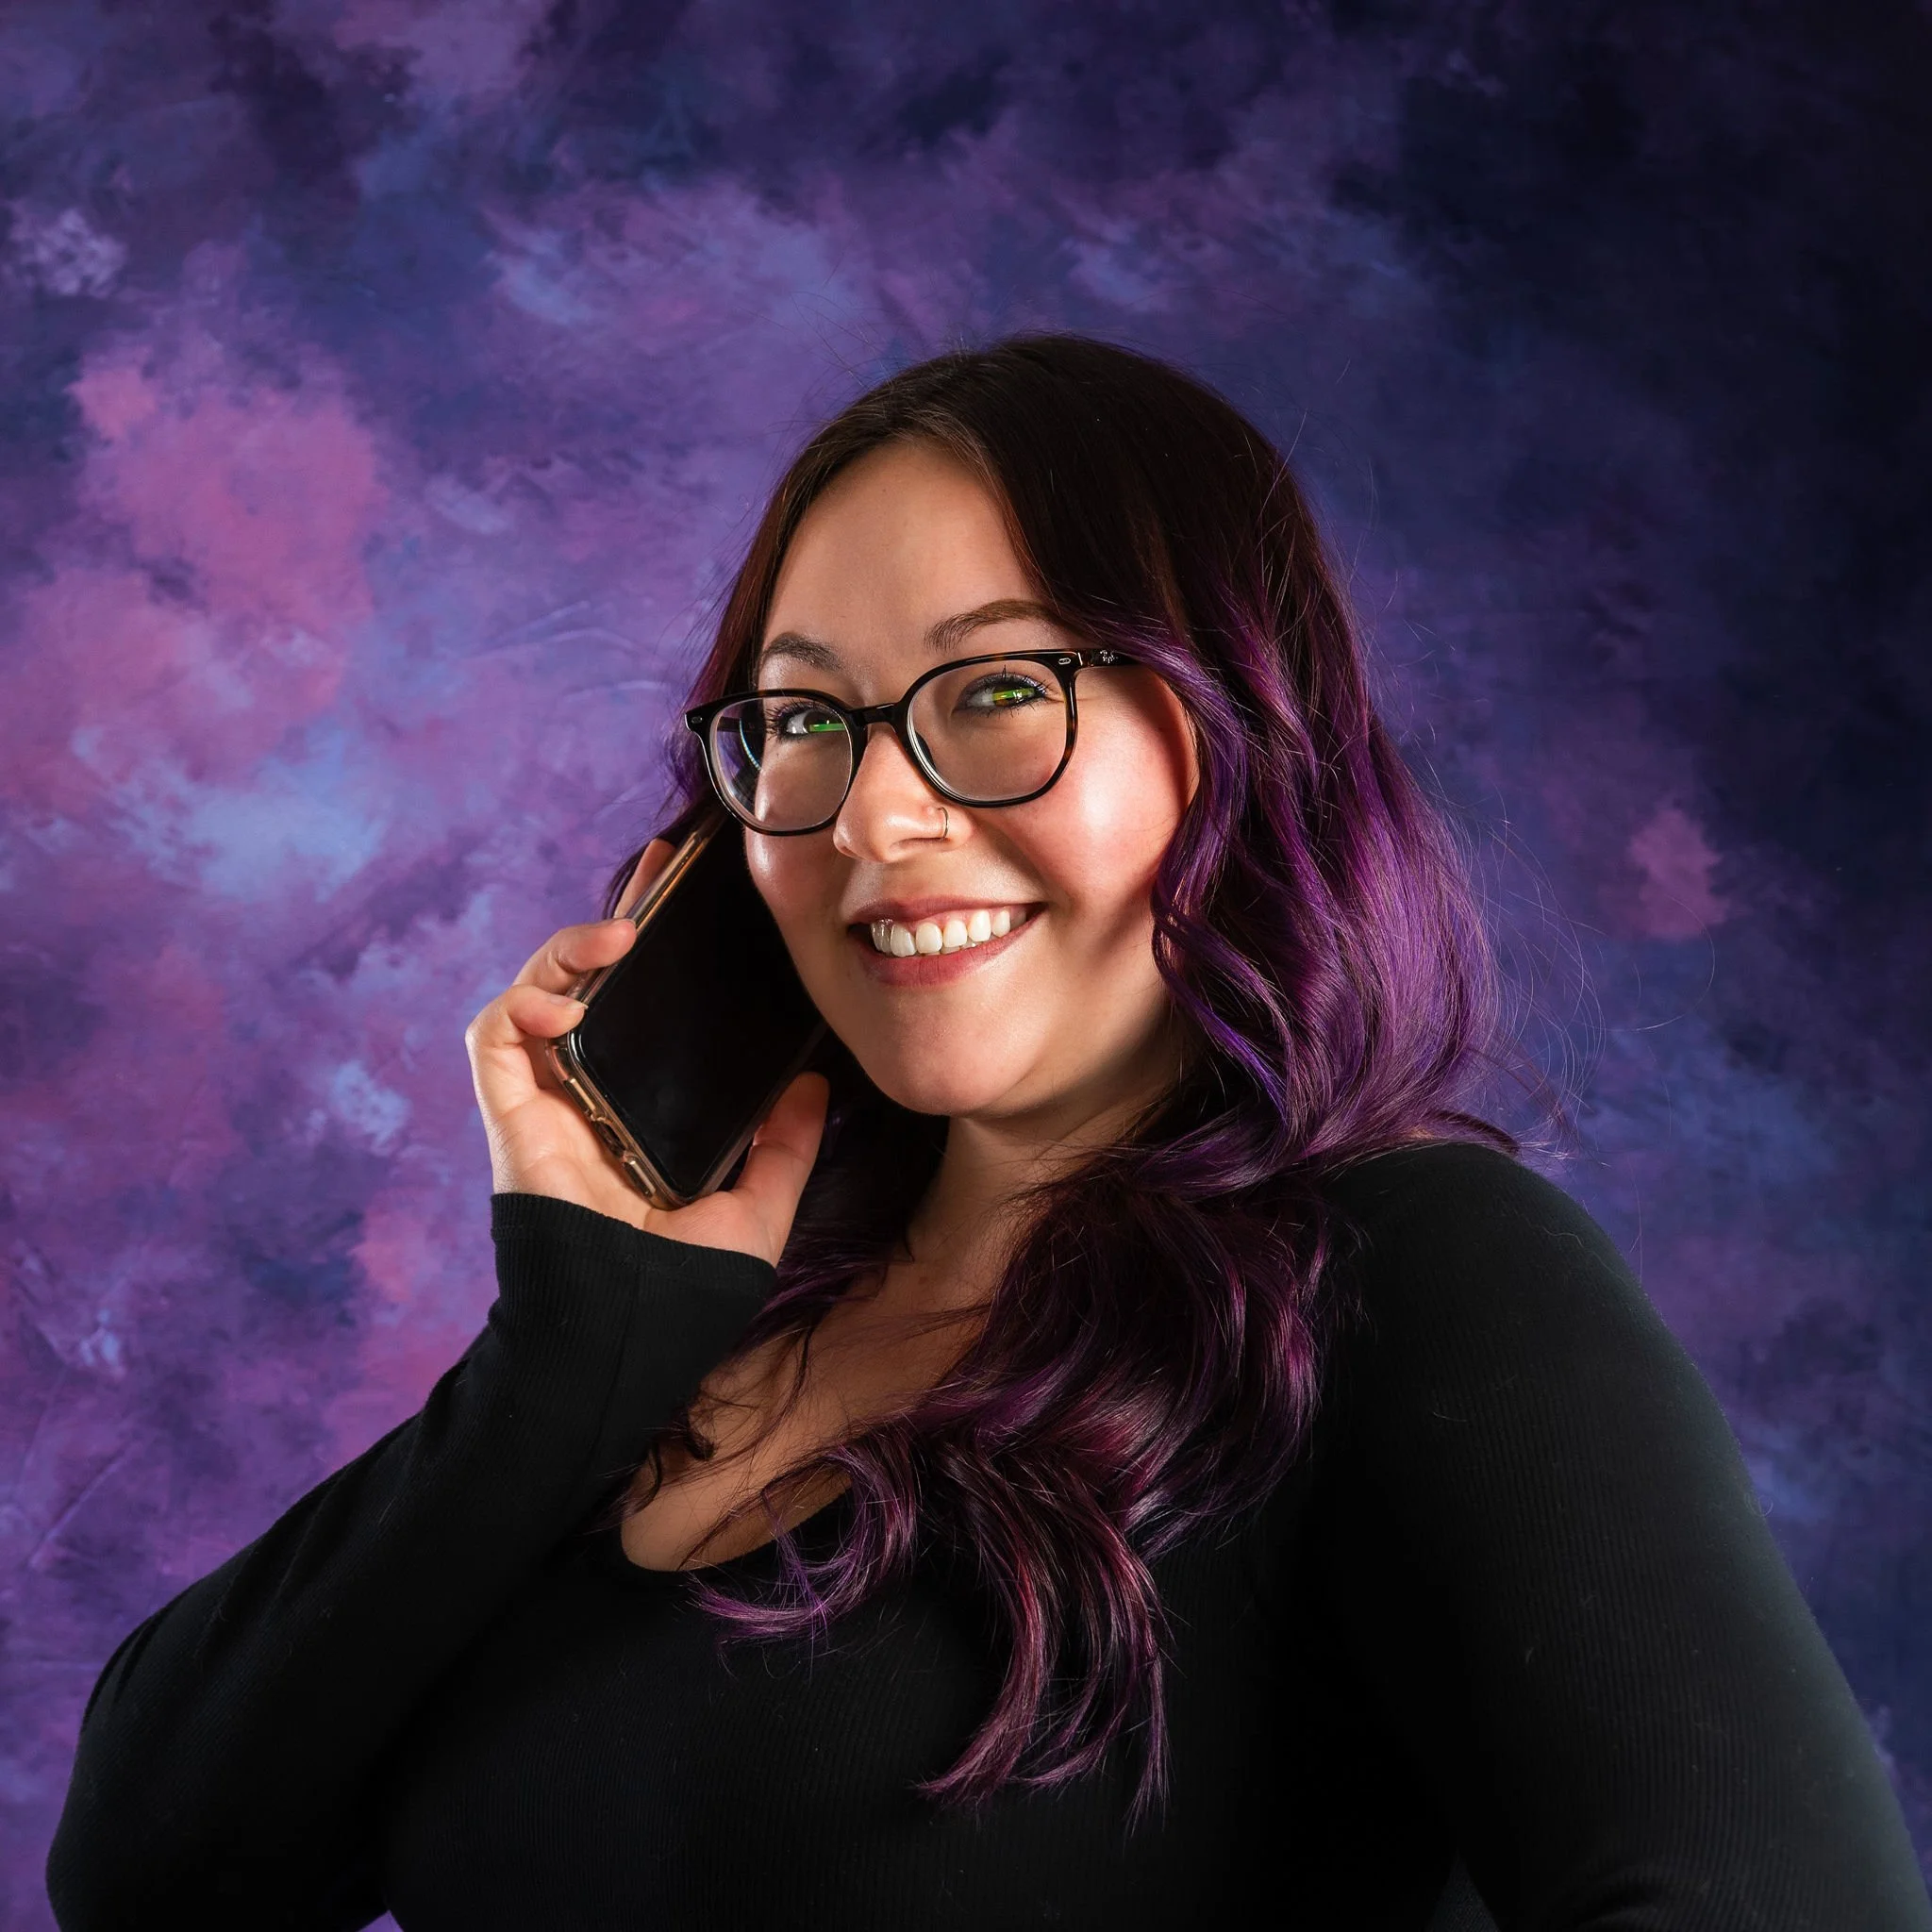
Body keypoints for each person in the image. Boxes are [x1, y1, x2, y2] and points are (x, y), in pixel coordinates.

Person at [46, 337, 1931, 1931]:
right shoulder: (674, 1340)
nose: (876, 816)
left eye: (1000, 692)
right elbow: (155, 1869)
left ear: (1231, 733)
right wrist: (561, 1361)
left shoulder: (1404, 1275)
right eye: (803, 722)